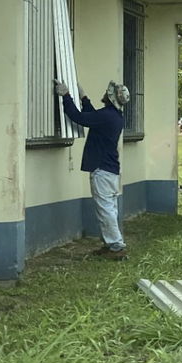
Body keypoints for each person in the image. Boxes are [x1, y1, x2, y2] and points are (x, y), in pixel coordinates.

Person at [55, 79, 130, 260]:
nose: (105, 93)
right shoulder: (113, 116)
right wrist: (83, 97)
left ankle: (116, 247)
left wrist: (66, 96)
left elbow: (80, 118)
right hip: (110, 169)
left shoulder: (107, 116)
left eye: (108, 92)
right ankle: (110, 245)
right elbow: (92, 116)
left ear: (111, 97)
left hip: (102, 170)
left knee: (105, 210)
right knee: (109, 209)